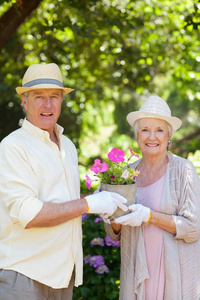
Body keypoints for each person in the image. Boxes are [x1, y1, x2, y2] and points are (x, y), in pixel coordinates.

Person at [0, 63, 128, 300]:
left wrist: (98, 197)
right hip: (24, 276)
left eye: (54, 97)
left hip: (62, 275)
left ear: (61, 101)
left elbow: (64, 203)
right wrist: (89, 205)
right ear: (24, 102)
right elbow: (29, 214)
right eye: (39, 97)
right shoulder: (13, 147)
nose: (47, 105)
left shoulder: (67, 145)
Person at [104, 95, 200, 300]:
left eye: (159, 130)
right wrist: (111, 214)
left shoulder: (183, 170)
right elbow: (114, 234)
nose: (152, 137)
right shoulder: (126, 174)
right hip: (136, 271)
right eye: (145, 130)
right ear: (137, 135)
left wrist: (149, 216)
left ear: (168, 136)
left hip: (172, 272)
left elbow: (193, 228)